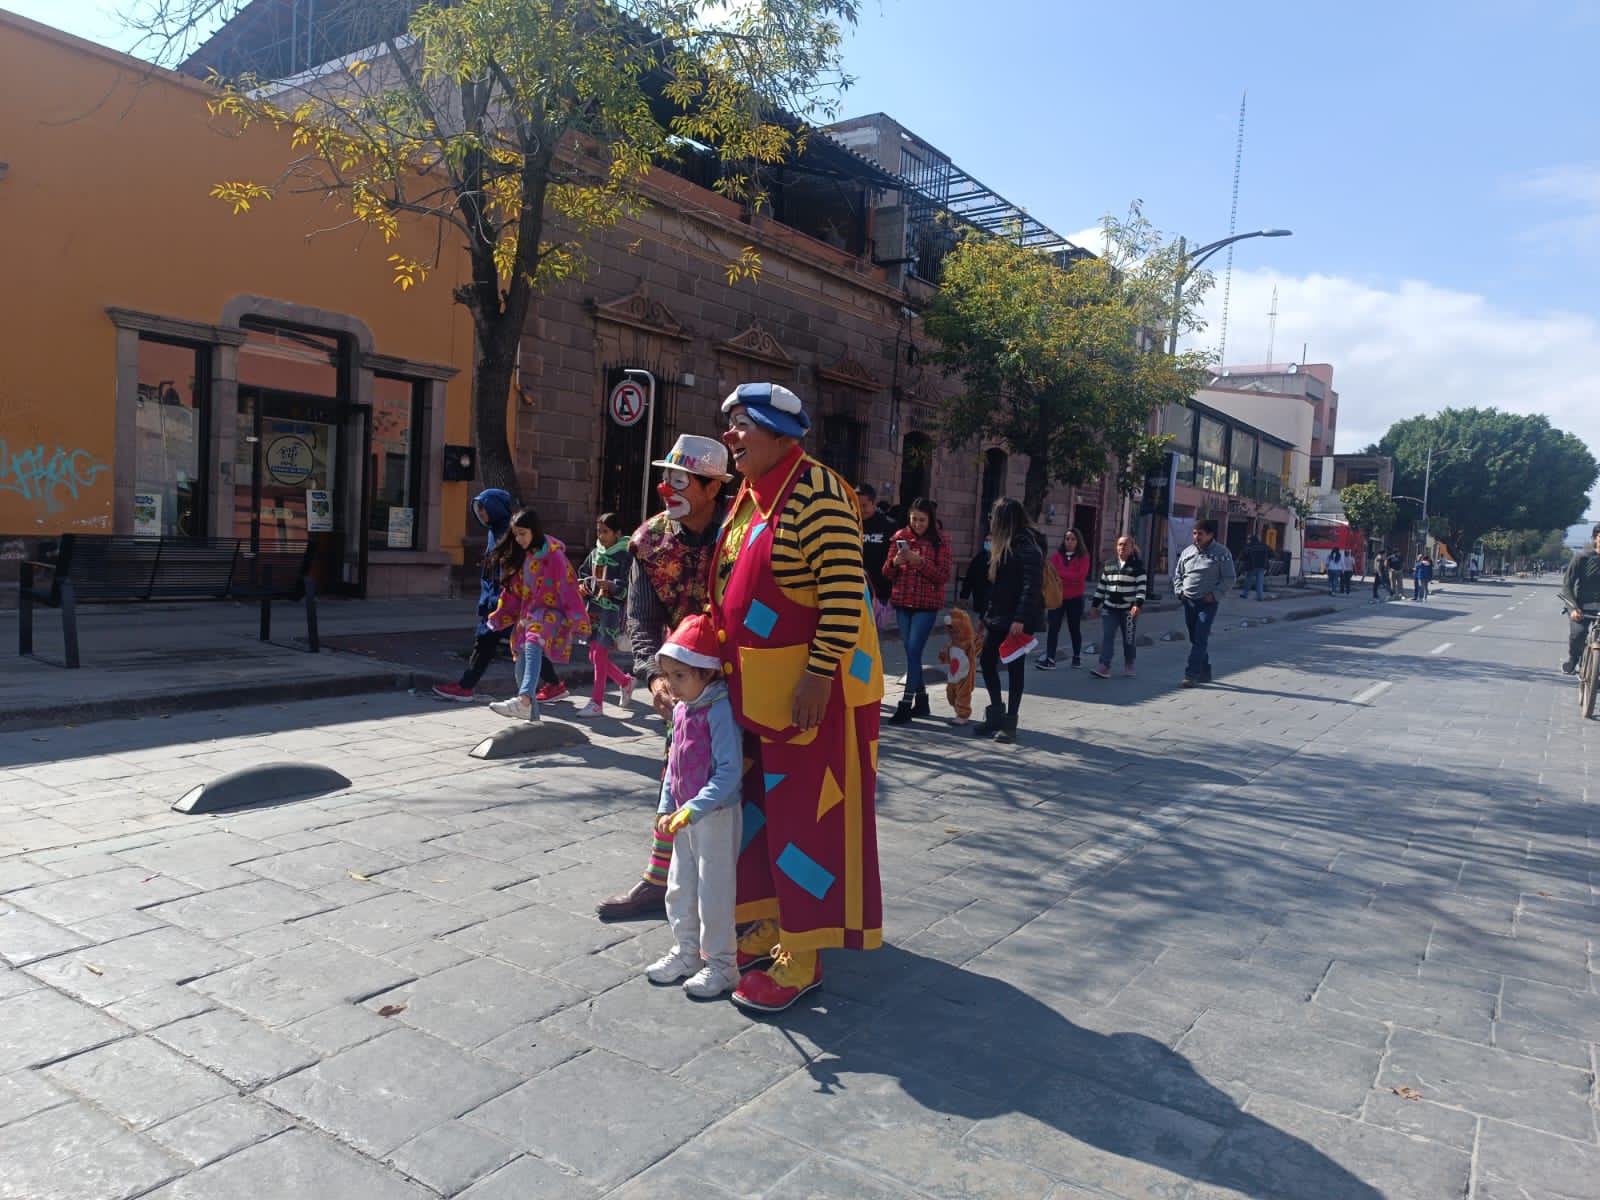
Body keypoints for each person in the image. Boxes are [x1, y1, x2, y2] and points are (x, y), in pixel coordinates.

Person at [712, 381, 884, 1013]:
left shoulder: (819, 494)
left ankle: (801, 955)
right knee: (762, 814)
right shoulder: (749, 497)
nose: (730, 437)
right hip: (755, 693)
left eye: (740, 427)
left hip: (811, 697)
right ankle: (770, 920)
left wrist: (817, 676)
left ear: (777, 434)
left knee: (807, 823)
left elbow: (842, 595)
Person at [595, 434, 735, 921]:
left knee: (745, 784)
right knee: (675, 777)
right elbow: (642, 619)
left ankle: (747, 893)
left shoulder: (744, 531)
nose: (666, 489)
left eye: (680, 481)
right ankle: (659, 881)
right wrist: (655, 677)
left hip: (745, 676)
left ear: (712, 488)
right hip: (685, 683)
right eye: (666, 478)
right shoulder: (649, 541)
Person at [643, 614, 744, 999]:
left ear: (707, 674)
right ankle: (686, 951)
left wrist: (695, 808)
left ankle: (722, 963)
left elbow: (729, 770)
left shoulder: (719, 710)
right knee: (678, 885)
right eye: (668, 675)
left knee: (714, 892)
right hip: (683, 817)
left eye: (680, 675)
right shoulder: (682, 708)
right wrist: (667, 806)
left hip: (715, 816)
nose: (670, 684)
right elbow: (673, 766)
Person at [433, 489, 567, 704]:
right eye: (479, 511)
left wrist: (503, 598)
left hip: (508, 600)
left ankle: (466, 686)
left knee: (488, 640)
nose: (481, 515)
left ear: (495, 508)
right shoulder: (495, 531)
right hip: (498, 599)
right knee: (525, 644)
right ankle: (553, 685)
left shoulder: (511, 532)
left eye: (484, 509)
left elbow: (517, 569)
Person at [483, 509, 589, 720]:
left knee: (533, 640)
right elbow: (514, 592)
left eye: (523, 533)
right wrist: (500, 615)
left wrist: (578, 619)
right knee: (521, 665)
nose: (519, 539)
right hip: (530, 615)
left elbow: (569, 588)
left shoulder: (555, 556)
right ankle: (532, 716)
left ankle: (523, 700)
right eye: (516, 534)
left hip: (553, 613)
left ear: (534, 531)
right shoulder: (526, 557)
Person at [973, 498, 1045, 743]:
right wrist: (985, 617)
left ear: (1005, 520)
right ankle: (995, 711)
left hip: (1017, 620)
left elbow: (1031, 587)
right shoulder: (1002, 544)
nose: (990, 520)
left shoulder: (1028, 547)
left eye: (994, 516)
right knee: (987, 661)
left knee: (1015, 669)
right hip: (997, 616)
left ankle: (1010, 722)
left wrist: (1021, 619)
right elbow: (995, 587)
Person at [882, 497, 952, 724]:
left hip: (926, 605)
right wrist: (895, 562)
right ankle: (922, 701)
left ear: (930, 520)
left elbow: (943, 576)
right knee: (913, 653)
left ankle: (906, 703)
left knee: (913, 650)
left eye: (922, 520)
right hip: (903, 602)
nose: (918, 524)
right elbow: (886, 572)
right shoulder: (900, 537)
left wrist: (918, 561)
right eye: (914, 519)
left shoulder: (940, 541)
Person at [575, 512, 633, 717]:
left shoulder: (626, 554)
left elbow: (629, 586)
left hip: (612, 612)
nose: (601, 536)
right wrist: (582, 587)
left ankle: (596, 702)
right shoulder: (595, 552)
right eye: (599, 531)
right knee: (593, 654)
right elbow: (582, 574)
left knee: (599, 653)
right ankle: (625, 682)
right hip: (594, 609)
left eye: (605, 532)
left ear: (618, 533)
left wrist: (611, 585)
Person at [1172, 518, 1236, 688]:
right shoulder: (1187, 552)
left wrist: (1215, 595)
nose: (1196, 537)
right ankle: (1205, 670)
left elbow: (1229, 578)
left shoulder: (1222, 553)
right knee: (1195, 638)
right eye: (1194, 533)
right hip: (1189, 602)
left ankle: (1191, 674)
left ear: (1210, 535)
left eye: (1200, 533)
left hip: (1207, 603)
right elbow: (1178, 574)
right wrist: (1180, 592)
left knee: (1200, 637)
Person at [1088, 533, 1147, 680]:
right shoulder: (1109, 565)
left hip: (1128, 610)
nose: (1122, 547)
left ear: (1132, 548)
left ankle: (1129, 663)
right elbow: (1101, 587)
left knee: (1128, 638)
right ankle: (1104, 666)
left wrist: (1137, 605)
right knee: (1108, 636)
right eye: (1120, 544)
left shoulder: (1137, 567)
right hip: (1109, 609)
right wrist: (1095, 605)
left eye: (1125, 545)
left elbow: (1141, 589)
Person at [1039, 527, 1090, 669]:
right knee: (1053, 628)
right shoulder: (1057, 556)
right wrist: (1069, 576)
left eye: (1073, 539)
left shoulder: (1084, 557)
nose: (1069, 541)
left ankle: (1077, 656)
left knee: (1074, 628)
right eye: (1067, 538)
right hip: (1057, 597)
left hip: (1075, 598)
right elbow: (1052, 575)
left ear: (1078, 541)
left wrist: (1062, 575)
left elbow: (1080, 576)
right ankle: (1050, 659)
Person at [1558, 523, 1600, 675]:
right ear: (1596, 537)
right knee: (1578, 634)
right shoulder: (1582, 558)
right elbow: (1567, 585)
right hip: (1581, 608)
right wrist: (1573, 608)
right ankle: (1574, 658)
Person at [857, 483, 898, 625]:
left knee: (872, 639)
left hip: (880, 593)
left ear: (874, 503)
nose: (861, 510)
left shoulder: (889, 525)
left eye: (864, 505)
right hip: (853, 590)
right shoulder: (850, 523)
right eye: (857, 505)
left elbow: (894, 560)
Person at [959, 537, 992, 619]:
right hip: (979, 598)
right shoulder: (979, 558)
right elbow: (969, 578)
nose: (988, 543)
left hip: (994, 601)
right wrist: (964, 596)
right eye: (986, 541)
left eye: (990, 541)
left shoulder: (1002, 559)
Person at [1239, 533, 1270, 601]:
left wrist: (1243, 561)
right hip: (1262, 566)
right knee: (1259, 582)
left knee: (1248, 580)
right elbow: (1271, 553)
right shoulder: (1264, 545)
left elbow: (1243, 555)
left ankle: (1245, 594)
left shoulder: (1249, 546)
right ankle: (1260, 596)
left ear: (1251, 540)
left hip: (1252, 565)